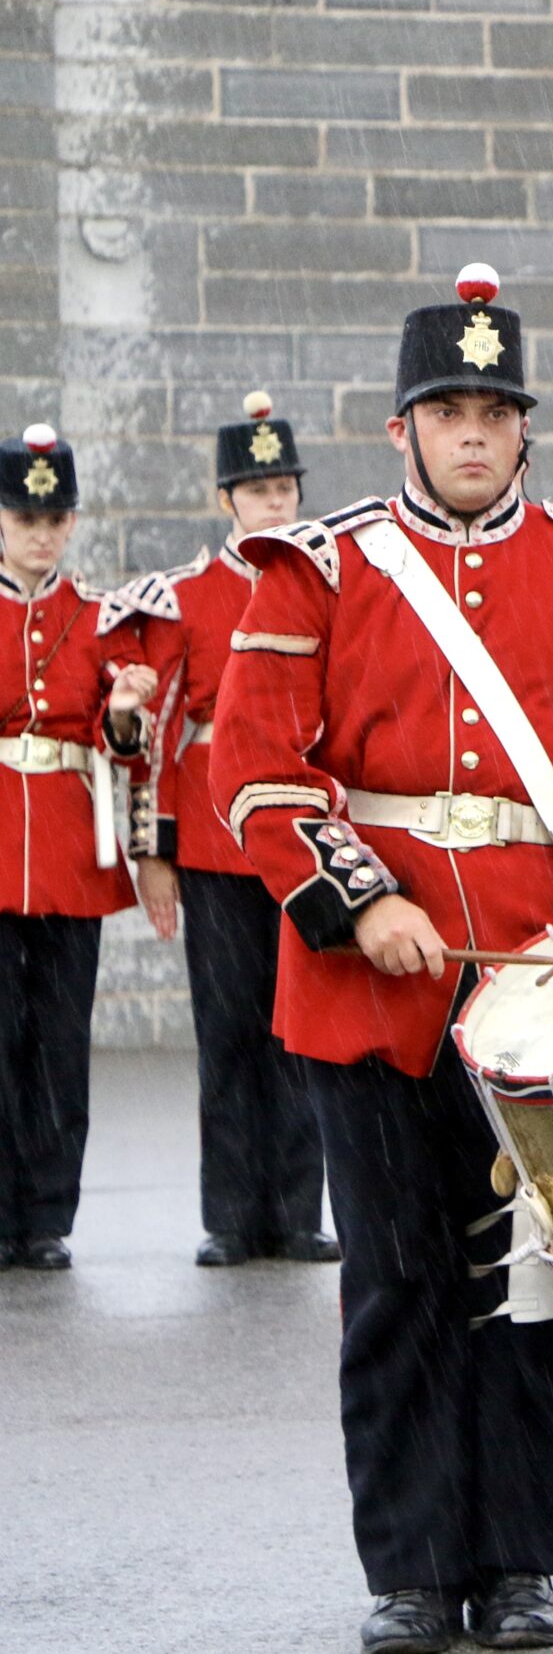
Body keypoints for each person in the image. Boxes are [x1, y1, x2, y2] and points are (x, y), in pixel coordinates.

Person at [211, 266, 553, 1654]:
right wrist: (354, 896)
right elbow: (253, 772)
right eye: (449, 409)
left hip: (543, 983)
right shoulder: (314, 569)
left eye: (495, 409)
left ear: (525, 426)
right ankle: (410, 1563)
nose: (474, 433)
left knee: (531, 1278)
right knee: (395, 1276)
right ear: (403, 429)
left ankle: (514, 1560)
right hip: (366, 978)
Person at [122, 393, 337, 1268]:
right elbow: (161, 729)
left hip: (302, 831)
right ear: (227, 501)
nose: (275, 503)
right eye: (256, 489)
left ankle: (295, 1210)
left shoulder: (323, 581)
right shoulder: (188, 598)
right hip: (214, 840)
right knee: (227, 1029)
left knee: (302, 1027)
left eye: (285, 486)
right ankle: (231, 1214)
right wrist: (156, 851)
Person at [0, 423, 158, 1274]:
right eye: (25, 516)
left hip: (67, 844)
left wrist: (128, 709)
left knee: (58, 1042)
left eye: (54, 517)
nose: (40, 531)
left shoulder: (96, 616)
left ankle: (44, 1215)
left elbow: (123, 746)